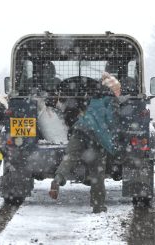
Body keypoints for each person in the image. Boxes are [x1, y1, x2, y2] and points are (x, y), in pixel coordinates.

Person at [49, 72, 121, 213]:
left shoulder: (94, 99)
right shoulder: (112, 101)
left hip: (80, 129)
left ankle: (57, 179)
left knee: (69, 158)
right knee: (97, 173)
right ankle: (98, 205)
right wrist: (112, 144)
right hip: (96, 136)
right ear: (113, 89)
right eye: (118, 89)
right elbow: (111, 123)